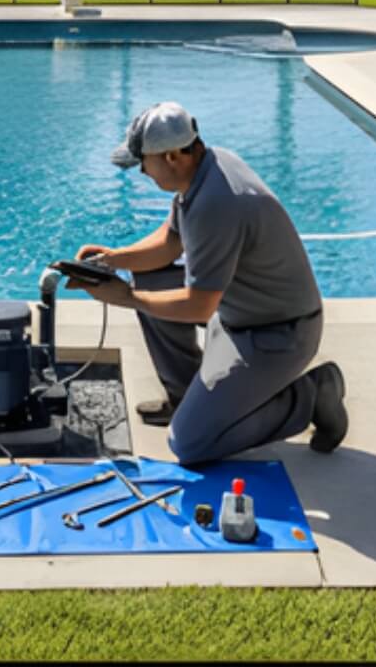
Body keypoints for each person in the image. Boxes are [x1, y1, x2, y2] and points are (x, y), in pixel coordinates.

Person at [70, 101, 348, 465]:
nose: (141, 171)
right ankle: (188, 398)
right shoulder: (206, 168)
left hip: (276, 336)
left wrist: (126, 297)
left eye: (143, 162)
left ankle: (311, 396)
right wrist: (113, 258)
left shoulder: (218, 203)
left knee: (189, 444)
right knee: (152, 278)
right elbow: (170, 242)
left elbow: (198, 305)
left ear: (171, 157)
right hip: (239, 314)